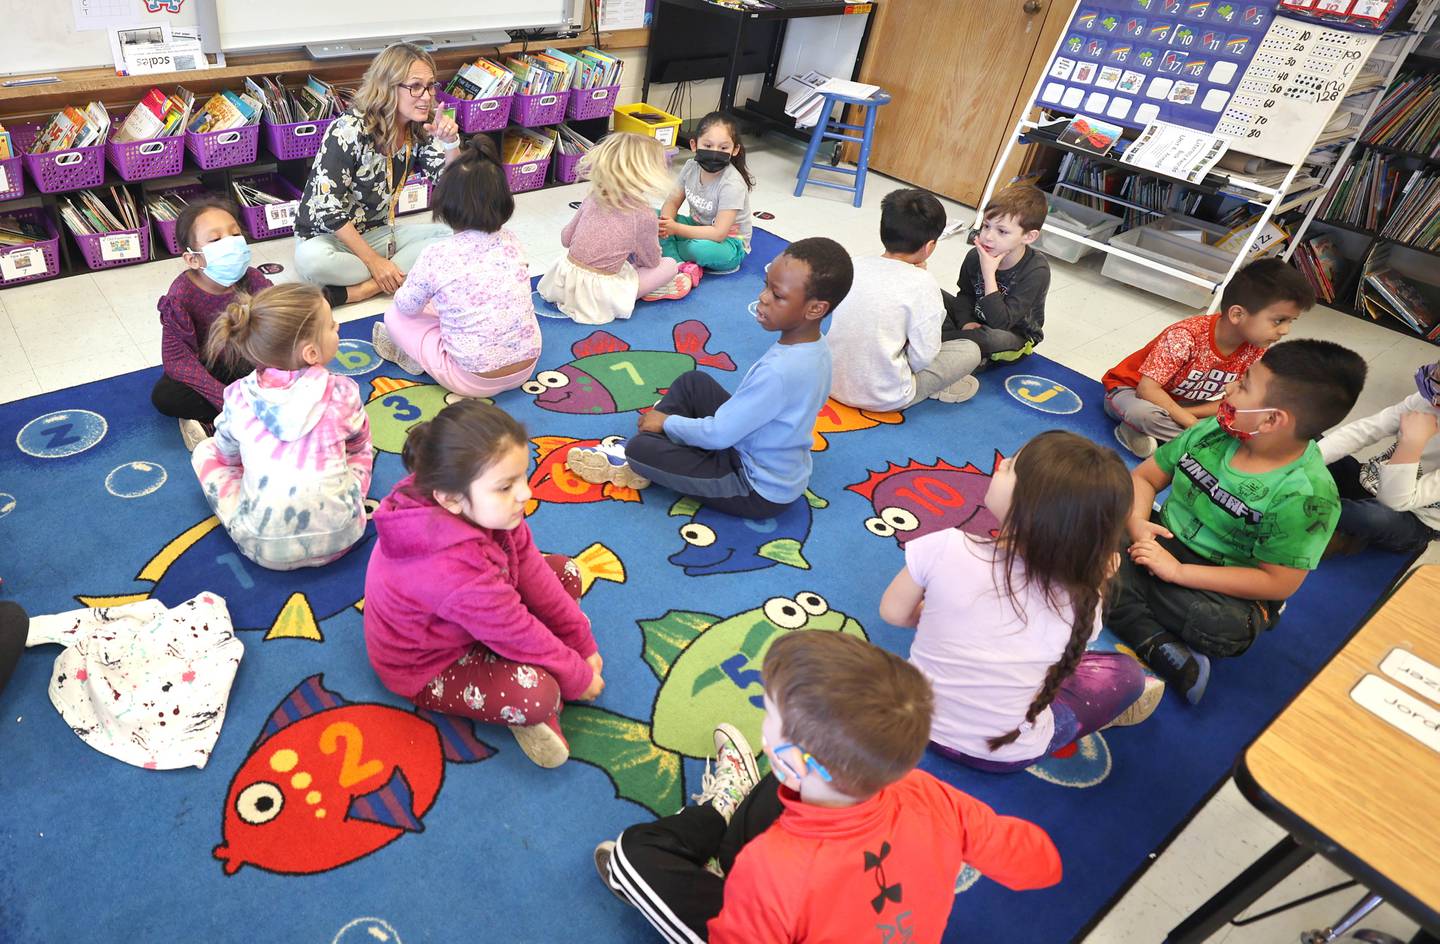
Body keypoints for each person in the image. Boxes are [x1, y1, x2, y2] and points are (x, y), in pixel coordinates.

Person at [594, 631, 1063, 944]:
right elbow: (1038, 865)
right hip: (823, 857)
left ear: (795, 759)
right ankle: (729, 811)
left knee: (632, 855)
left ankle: (718, 816)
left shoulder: (773, 868)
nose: (763, 723)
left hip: (778, 896)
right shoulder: (924, 789)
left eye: (769, 715)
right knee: (785, 798)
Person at [1106, 340, 1368, 704]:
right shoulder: (1212, 430)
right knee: (1090, 517)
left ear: (1272, 419)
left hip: (1220, 583)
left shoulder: (1308, 497)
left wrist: (1178, 573)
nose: (1228, 388)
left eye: (1243, 385)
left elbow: (1278, 582)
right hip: (1158, 537)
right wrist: (1136, 522)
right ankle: (1153, 637)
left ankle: (1121, 606)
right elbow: (1145, 479)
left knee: (1225, 628)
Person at [880, 430, 1157, 773]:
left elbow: (893, 612)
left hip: (911, 720)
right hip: (1004, 755)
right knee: (1127, 674)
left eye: (1012, 467)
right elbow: (1067, 655)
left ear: (1030, 504)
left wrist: (941, 615)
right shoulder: (1085, 600)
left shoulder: (944, 545)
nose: (1001, 463)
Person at [363, 400, 603, 768]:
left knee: (565, 571)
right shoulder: (449, 571)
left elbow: (531, 568)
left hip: (477, 611)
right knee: (538, 694)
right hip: (427, 663)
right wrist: (575, 674)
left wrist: (579, 641)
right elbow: (515, 632)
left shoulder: (466, 492)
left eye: (523, 476)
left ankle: (525, 664)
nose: (525, 494)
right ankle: (529, 713)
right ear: (451, 500)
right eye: (506, 486)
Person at [565, 238, 852, 519]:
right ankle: (664, 444)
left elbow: (720, 435)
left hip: (753, 486)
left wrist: (666, 422)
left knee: (640, 450)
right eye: (766, 285)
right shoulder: (818, 348)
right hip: (760, 450)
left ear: (815, 309)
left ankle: (638, 459)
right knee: (695, 383)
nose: (763, 297)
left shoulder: (781, 371)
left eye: (778, 296)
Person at [191, 284, 374, 571]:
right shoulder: (343, 392)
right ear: (312, 353)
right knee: (361, 451)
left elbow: (226, 456)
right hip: (344, 536)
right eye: (330, 325)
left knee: (205, 451)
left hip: (264, 548)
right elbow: (359, 444)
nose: (337, 326)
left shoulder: (238, 396)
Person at [369, 136, 541, 398]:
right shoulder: (511, 240)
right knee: (448, 300)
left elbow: (406, 305)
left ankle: (420, 359)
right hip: (526, 367)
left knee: (395, 316)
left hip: (470, 380)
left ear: (446, 204)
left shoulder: (436, 254)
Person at [293, 42, 460, 302]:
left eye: (430, 85)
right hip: (329, 238)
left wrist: (450, 144)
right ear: (387, 87)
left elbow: (455, 186)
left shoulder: (419, 128)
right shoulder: (348, 129)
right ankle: (393, 273)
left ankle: (362, 290)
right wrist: (373, 261)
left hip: (381, 233)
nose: (426, 96)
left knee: (465, 237)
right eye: (415, 86)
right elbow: (328, 210)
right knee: (312, 262)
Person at [1104, 258, 1312, 459]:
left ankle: (1145, 435)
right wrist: (1192, 423)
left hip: (1183, 405)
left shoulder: (1256, 348)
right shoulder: (1186, 336)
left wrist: (1191, 415)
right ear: (1237, 315)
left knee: (1246, 417)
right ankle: (1205, 449)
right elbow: (1147, 390)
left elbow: (1233, 402)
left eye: (1291, 321)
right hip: (1131, 393)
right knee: (1144, 415)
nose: (1285, 330)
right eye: (1279, 321)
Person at [827, 188, 985, 408]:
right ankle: (932, 387)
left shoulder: (853, 264)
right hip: (883, 396)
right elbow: (923, 357)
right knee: (969, 351)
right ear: (930, 246)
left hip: (827, 380)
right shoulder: (924, 284)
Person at [151, 197, 269, 448]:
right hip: (210, 368)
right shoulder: (181, 295)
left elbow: (282, 325)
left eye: (235, 234)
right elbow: (177, 361)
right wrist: (223, 397)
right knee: (166, 395)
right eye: (215, 240)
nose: (230, 243)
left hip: (249, 362)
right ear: (193, 259)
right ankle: (220, 418)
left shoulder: (254, 279)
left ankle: (220, 423)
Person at [537, 132, 687, 322]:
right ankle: (637, 293)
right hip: (600, 296)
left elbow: (566, 239)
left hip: (564, 280)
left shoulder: (593, 196)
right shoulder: (642, 214)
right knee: (670, 265)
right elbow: (651, 261)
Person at [1319, 359, 1440, 555]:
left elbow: (1395, 500)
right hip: (1369, 480)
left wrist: (1411, 444)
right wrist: (1307, 459)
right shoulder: (1427, 397)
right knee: (1307, 445)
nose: (1432, 396)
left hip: (1414, 518)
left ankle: (1311, 513)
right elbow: (1368, 429)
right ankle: (1337, 527)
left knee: (1372, 517)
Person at [942, 184, 1050, 367]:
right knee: (930, 292)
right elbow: (965, 295)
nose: (987, 237)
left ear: (1029, 236)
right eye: (986, 226)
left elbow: (1001, 323)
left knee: (989, 338)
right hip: (975, 323)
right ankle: (959, 347)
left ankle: (937, 342)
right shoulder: (976, 256)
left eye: (1002, 231)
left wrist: (988, 273)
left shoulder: (1036, 270)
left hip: (1014, 334)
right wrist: (966, 322)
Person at [659, 112, 753, 275]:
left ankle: (668, 257)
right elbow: (672, 202)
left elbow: (719, 233)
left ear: (735, 150)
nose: (715, 152)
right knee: (652, 218)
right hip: (697, 228)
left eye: (723, 148)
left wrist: (674, 230)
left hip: (728, 243)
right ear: (694, 145)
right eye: (708, 146)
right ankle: (678, 265)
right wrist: (665, 224)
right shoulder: (690, 167)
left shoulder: (732, 184)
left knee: (698, 248)